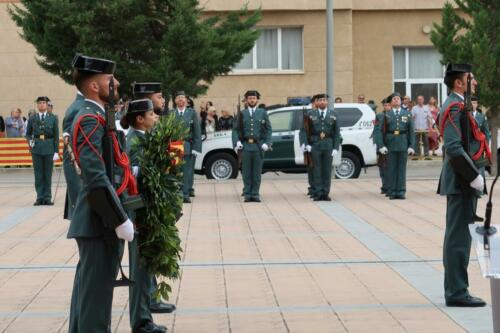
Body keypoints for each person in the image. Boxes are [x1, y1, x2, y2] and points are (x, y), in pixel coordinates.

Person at [68, 55, 136, 332]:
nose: (116, 83)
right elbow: (96, 178)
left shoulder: (98, 115)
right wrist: (120, 219)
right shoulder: (89, 119)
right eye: (110, 79)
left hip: (100, 219)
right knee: (96, 303)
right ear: (94, 86)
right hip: (99, 221)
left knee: (89, 297)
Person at [438, 63, 489, 307]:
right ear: (460, 83)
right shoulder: (454, 107)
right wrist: (473, 176)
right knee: (458, 239)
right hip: (461, 181)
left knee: (459, 237)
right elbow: (454, 148)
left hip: (463, 180)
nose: (475, 82)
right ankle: (457, 292)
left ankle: (457, 288)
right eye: (472, 78)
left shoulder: (459, 105)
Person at [121, 99, 168, 333]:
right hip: (139, 210)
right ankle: (140, 322)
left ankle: (144, 318)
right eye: (151, 113)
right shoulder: (134, 140)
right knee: (140, 268)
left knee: (145, 266)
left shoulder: (143, 137)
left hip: (146, 209)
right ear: (140, 118)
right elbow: (132, 175)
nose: (156, 116)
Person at [132, 82, 175, 315]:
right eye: (158, 98)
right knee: (144, 253)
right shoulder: (135, 139)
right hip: (140, 204)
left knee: (148, 252)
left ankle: (149, 297)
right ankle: (146, 301)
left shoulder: (146, 133)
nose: (162, 102)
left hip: (149, 201)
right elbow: (132, 171)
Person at [232, 90, 272, 202]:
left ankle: (255, 194)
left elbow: (268, 129)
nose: (252, 100)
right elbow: (235, 130)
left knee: (257, 172)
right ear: (246, 100)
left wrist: (267, 143)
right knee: (246, 172)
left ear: (257, 100)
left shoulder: (262, 113)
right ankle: (247, 194)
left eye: (253, 98)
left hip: (258, 146)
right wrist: (237, 142)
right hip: (245, 146)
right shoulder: (242, 114)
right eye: (249, 98)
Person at [374, 92, 415, 199]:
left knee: (401, 169)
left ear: (401, 102)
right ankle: (392, 191)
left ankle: (401, 191)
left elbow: (411, 131)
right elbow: (379, 131)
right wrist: (381, 146)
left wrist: (411, 146)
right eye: (394, 99)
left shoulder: (407, 114)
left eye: (398, 99)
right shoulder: (386, 115)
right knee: (391, 169)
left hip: (403, 142)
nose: (396, 100)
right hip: (390, 143)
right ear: (391, 102)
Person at [301, 93, 341, 201]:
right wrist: (306, 145)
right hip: (315, 144)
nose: (322, 102)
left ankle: (325, 193)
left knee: (327, 170)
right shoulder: (310, 114)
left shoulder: (334, 114)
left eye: (324, 100)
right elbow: (304, 131)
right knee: (316, 170)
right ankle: (318, 193)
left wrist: (335, 147)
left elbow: (337, 132)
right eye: (320, 100)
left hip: (328, 144)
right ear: (317, 102)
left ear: (327, 102)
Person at [25, 96, 60, 205]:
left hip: (49, 147)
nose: (41, 104)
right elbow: (28, 134)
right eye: (39, 103)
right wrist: (30, 142)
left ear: (47, 105)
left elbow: (56, 135)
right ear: (37, 105)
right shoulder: (32, 118)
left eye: (44, 103)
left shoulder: (53, 118)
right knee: (38, 174)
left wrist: (56, 151)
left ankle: (47, 197)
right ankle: (40, 197)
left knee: (48, 174)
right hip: (36, 148)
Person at [174, 91, 201, 203]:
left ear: (186, 100)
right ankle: (176, 194)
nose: (180, 100)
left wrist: (196, 148)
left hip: (187, 145)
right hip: (175, 145)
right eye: (178, 98)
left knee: (186, 172)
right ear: (175, 101)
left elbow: (197, 132)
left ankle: (185, 194)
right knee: (176, 171)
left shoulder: (191, 113)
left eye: (182, 98)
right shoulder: (171, 113)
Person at [300, 94, 319, 197]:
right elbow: (302, 131)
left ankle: (318, 189)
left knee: (319, 169)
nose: (317, 103)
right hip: (310, 144)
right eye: (315, 101)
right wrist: (304, 144)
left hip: (319, 144)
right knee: (311, 168)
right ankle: (312, 188)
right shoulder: (308, 114)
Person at [373, 97, 391, 195]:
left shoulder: (393, 115)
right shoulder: (379, 116)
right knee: (383, 167)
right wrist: (379, 145)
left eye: (388, 105)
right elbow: (376, 131)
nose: (386, 107)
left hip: (391, 144)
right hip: (382, 144)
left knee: (390, 167)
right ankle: (385, 186)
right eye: (385, 105)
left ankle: (390, 186)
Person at [411, 95, 433, 160]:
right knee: (416, 142)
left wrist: (430, 127)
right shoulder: (414, 108)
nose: (420, 101)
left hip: (425, 128)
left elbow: (429, 117)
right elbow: (411, 118)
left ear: (423, 100)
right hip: (416, 128)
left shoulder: (426, 108)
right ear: (417, 100)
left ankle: (426, 155)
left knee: (426, 142)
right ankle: (416, 155)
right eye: (418, 99)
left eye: (421, 99)